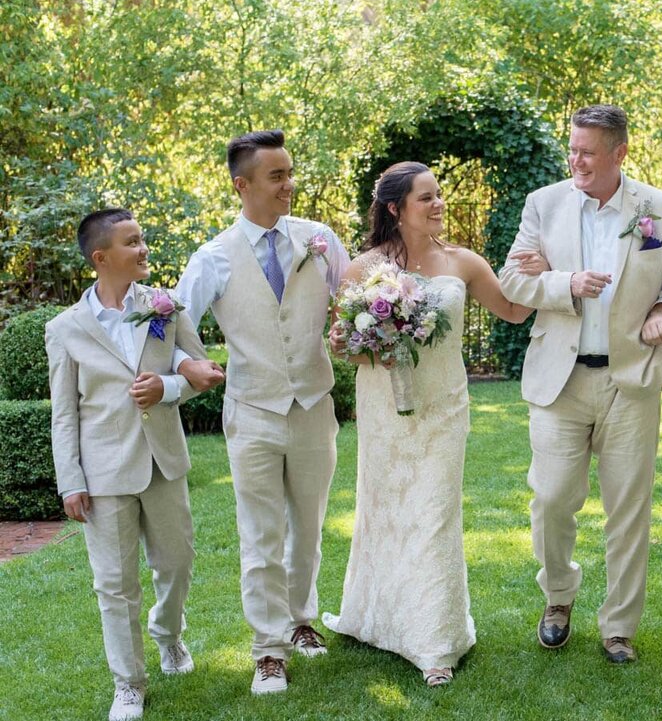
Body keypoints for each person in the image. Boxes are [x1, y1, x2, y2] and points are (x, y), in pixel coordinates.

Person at [498, 104, 662, 664]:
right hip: (559, 381)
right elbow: (513, 279)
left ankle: (619, 626)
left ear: (620, 153)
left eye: (587, 151)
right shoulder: (543, 204)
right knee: (550, 499)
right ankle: (558, 597)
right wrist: (566, 283)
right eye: (572, 149)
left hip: (631, 381)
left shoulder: (660, 210)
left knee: (628, 508)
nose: (576, 160)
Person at [321, 161, 542, 686]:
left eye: (439, 195)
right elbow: (345, 344)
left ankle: (434, 639)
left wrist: (537, 273)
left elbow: (512, 310)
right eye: (427, 198)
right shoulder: (362, 269)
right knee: (385, 509)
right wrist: (346, 343)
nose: (438, 203)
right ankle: (375, 617)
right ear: (396, 209)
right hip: (384, 414)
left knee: (434, 513)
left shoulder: (463, 261)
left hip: (443, 408)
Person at [175, 130, 352, 695]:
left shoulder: (320, 240)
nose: (289, 185)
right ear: (241, 185)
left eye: (290, 172)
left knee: (308, 528)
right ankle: (267, 651)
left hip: (313, 406)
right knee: (260, 535)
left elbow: (354, 302)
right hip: (251, 411)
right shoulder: (212, 258)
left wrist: (355, 331)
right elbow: (170, 327)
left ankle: (302, 621)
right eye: (276, 176)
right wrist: (188, 364)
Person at [46, 208, 224, 721]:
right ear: (101, 258)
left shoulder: (166, 307)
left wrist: (166, 387)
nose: (144, 249)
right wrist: (70, 482)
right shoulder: (65, 329)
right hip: (103, 472)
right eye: (132, 242)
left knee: (177, 563)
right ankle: (128, 683)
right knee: (114, 582)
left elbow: (203, 370)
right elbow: (64, 414)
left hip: (163, 461)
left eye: (142, 238)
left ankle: (169, 635)